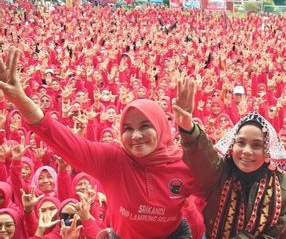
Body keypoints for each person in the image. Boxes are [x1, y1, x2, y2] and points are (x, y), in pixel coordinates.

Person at [0, 47, 194, 238]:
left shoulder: (183, 161)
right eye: (127, 128)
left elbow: (214, 194)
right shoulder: (113, 159)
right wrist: (21, 100)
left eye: (145, 126)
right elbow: (64, 140)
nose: (136, 135)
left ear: (161, 128)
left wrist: (189, 128)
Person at [172, 77, 286, 238]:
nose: (246, 151)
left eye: (256, 145)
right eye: (241, 142)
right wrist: (188, 128)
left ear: (268, 153)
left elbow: (279, 235)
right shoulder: (220, 172)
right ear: (232, 147)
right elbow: (202, 160)